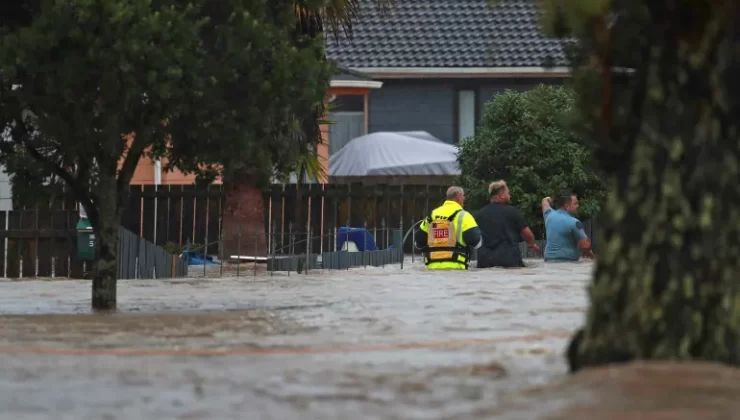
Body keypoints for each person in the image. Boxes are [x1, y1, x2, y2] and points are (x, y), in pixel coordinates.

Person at [475, 180, 540, 268]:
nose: (510, 196)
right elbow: (528, 235)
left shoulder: (479, 214)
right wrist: (531, 244)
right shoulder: (512, 212)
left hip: (485, 262)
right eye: (508, 193)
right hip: (509, 261)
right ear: (501, 195)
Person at [414, 186, 482, 270]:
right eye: (463, 196)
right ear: (458, 197)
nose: (464, 198)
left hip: (431, 269)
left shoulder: (432, 215)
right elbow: (477, 243)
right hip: (457, 268)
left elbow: (418, 243)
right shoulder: (464, 216)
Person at [541, 191, 594, 261]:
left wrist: (547, 199)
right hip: (567, 263)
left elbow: (544, 203)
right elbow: (585, 245)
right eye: (575, 204)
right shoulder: (574, 222)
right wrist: (588, 250)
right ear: (566, 206)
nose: (577, 206)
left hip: (548, 261)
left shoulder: (548, 215)